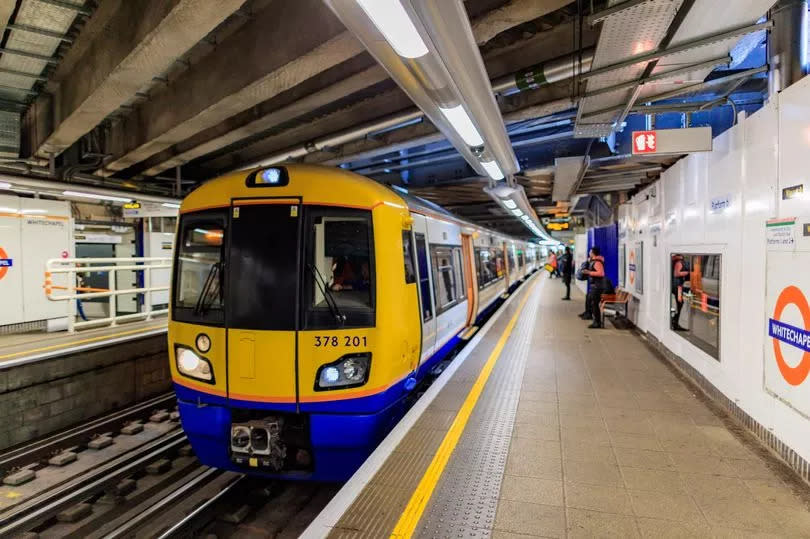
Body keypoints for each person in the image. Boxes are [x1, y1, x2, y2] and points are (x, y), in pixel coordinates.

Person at [580, 246, 608, 329]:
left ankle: (597, 323)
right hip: (595, 285)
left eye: (590, 252)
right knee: (592, 303)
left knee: (595, 304)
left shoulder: (597, 262)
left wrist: (589, 272)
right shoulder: (594, 261)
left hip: (598, 286)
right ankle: (594, 319)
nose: (589, 253)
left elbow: (601, 273)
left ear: (593, 253)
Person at [671, 254, 690, 331]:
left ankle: (674, 320)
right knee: (680, 302)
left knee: (679, 303)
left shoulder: (674, 261)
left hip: (676, 286)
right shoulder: (679, 262)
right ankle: (675, 322)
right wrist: (687, 273)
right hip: (677, 287)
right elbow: (676, 273)